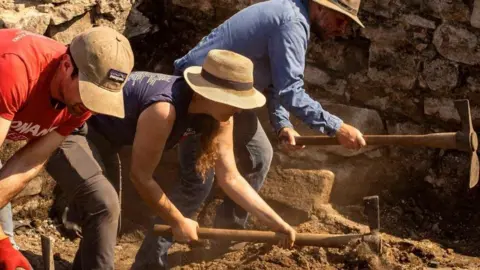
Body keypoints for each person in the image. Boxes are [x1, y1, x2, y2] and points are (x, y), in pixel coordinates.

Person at [45, 49, 296, 270]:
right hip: (75, 129)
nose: (240, 109)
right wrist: (177, 220)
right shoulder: (164, 109)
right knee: (105, 209)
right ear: (211, 94)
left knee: (105, 223)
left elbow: (230, 177)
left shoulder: (220, 118)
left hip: (107, 141)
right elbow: (141, 177)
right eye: (236, 101)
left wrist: (278, 223)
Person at [172, 0, 367, 238]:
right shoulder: (292, 22)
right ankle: (152, 257)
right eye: (341, 20)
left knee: (259, 155)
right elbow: (290, 91)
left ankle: (228, 235)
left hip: (228, 99)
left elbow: (276, 83)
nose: (342, 29)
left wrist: (282, 124)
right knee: (197, 182)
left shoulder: (292, 17)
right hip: (201, 94)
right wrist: (337, 128)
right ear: (320, 6)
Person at [0, 26, 134, 270]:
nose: (89, 106)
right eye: (88, 93)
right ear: (66, 66)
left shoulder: (80, 102)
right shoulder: (16, 70)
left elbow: (30, 160)